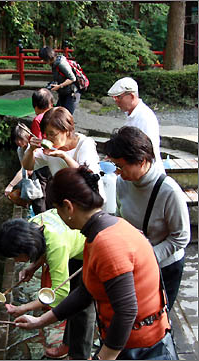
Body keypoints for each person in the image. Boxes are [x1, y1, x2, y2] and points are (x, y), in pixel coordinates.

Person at [14, 165, 177, 360]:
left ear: (68, 207)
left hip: (140, 347)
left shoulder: (107, 244)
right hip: (129, 341)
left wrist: (103, 357)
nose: (56, 216)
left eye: (56, 209)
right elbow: (86, 291)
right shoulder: (103, 230)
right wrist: (40, 321)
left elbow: (126, 311)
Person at [104, 126, 190, 309]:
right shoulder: (123, 182)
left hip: (165, 267)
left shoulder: (169, 191)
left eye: (120, 166)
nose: (117, 172)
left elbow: (181, 237)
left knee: (158, 317)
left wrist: (149, 257)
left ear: (141, 161)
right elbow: (120, 216)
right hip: (136, 262)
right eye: (115, 166)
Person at [0, 209, 96, 359]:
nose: (16, 261)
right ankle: (68, 344)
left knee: (83, 307)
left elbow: (60, 293)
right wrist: (32, 267)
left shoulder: (56, 245)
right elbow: (43, 247)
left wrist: (24, 308)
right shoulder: (32, 225)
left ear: (26, 249)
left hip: (90, 250)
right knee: (73, 302)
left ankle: (81, 356)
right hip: (73, 247)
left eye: (16, 257)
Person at [20, 106, 106, 209]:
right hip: (67, 205)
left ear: (66, 129)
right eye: (46, 134)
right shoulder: (50, 148)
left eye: (52, 134)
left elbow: (87, 176)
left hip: (89, 202)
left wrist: (64, 156)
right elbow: (28, 166)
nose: (49, 138)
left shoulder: (84, 144)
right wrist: (31, 150)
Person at [5, 89, 53, 214]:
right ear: (51, 103)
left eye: (21, 140)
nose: (20, 144)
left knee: (40, 199)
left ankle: (41, 224)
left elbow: (36, 147)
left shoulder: (38, 119)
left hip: (42, 164)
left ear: (35, 106)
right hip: (55, 159)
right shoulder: (57, 114)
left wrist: (10, 185)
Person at [107, 77, 165, 174]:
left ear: (131, 96)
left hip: (147, 172)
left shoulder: (144, 117)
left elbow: (145, 152)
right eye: (114, 98)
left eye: (118, 97)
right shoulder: (132, 114)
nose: (116, 101)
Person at [39, 46, 80, 114]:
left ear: (48, 58)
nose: (43, 61)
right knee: (56, 114)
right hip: (64, 92)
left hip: (72, 93)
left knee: (65, 117)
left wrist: (59, 86)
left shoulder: (61, 64)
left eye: (43, 59)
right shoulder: (54, 63)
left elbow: (72, 78)